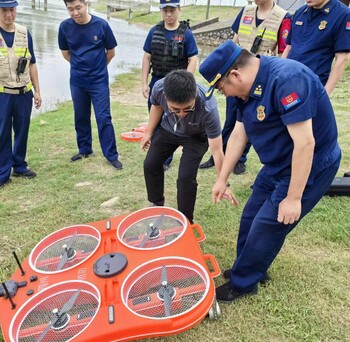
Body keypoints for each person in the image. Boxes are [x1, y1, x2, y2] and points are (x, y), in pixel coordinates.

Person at [199, 40, 341, 303]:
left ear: (235, 75)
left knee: (270, 223)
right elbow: (239, 134)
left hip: (310, 164)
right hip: (278, 163)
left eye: (221, 89)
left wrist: (294, 197)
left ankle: (244, 282)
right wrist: (222, 179)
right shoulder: (247, 90)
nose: (225, 94)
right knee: (251, 215)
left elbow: (306, 144)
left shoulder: (288, 80)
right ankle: (251, 266)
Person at [199, 0, 291, 175]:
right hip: (232, 76)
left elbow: (282, 52)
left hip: (260, 80)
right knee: (230, 120)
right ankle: (219, 154)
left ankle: (240, 159)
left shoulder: (283, 17)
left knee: (250, 121)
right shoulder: (245, 11)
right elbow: (234, 41)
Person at [141, 70, 224, 224]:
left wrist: (222, 179)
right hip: (168, 129)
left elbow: (217, 150)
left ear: (195, 96)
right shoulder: (159, 88)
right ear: (166, 96)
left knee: (186, 178)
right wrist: (149, 132)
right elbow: (157, 106)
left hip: (197, 136)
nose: (181, 114)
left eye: (188, 109)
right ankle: (156, 203)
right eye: (175, 109)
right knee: (150, 164)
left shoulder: (208, 105)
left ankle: (186, 220)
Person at [58, 0, 122, 169]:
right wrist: (80, 67)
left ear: (86, 4)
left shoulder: (101, 25)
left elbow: (111, 52)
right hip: (77, 81)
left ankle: (111, 155)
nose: (75, 13)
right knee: (80, 116)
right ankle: (85, 149)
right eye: (70, 9)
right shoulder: (65, 27)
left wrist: (98, 67)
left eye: (78, 8)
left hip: (98, 81)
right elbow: (65, 53)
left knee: (104, 117)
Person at [142, 0, 198, 170]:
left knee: (172, 121)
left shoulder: (186, 34)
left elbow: (193, 59)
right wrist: (144, 82)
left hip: (176, 84)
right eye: (165, 10)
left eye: (172, 10)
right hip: (157, 80)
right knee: (155, 119)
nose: (168, 14)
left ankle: (166, 159)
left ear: (179, 10)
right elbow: (147, 57)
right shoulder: (154, 31)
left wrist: (185, 82)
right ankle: (157, 154)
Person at [0, 0, 42, 190]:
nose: (9, 15)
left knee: (22, 129)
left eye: (12, 10)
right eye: (4, 11)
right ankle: (3, 172)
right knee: (2, 133)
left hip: (24, 92)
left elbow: (32, 63)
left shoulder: (25, 33)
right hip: (3, 94)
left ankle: (19, 165)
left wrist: (37, 90)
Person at [282, 0, 350, 96]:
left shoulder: (342, 14)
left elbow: (342, 58)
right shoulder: (300, 13)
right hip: (287, 82)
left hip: (311, 87)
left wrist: (325, 94)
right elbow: (289, 48)